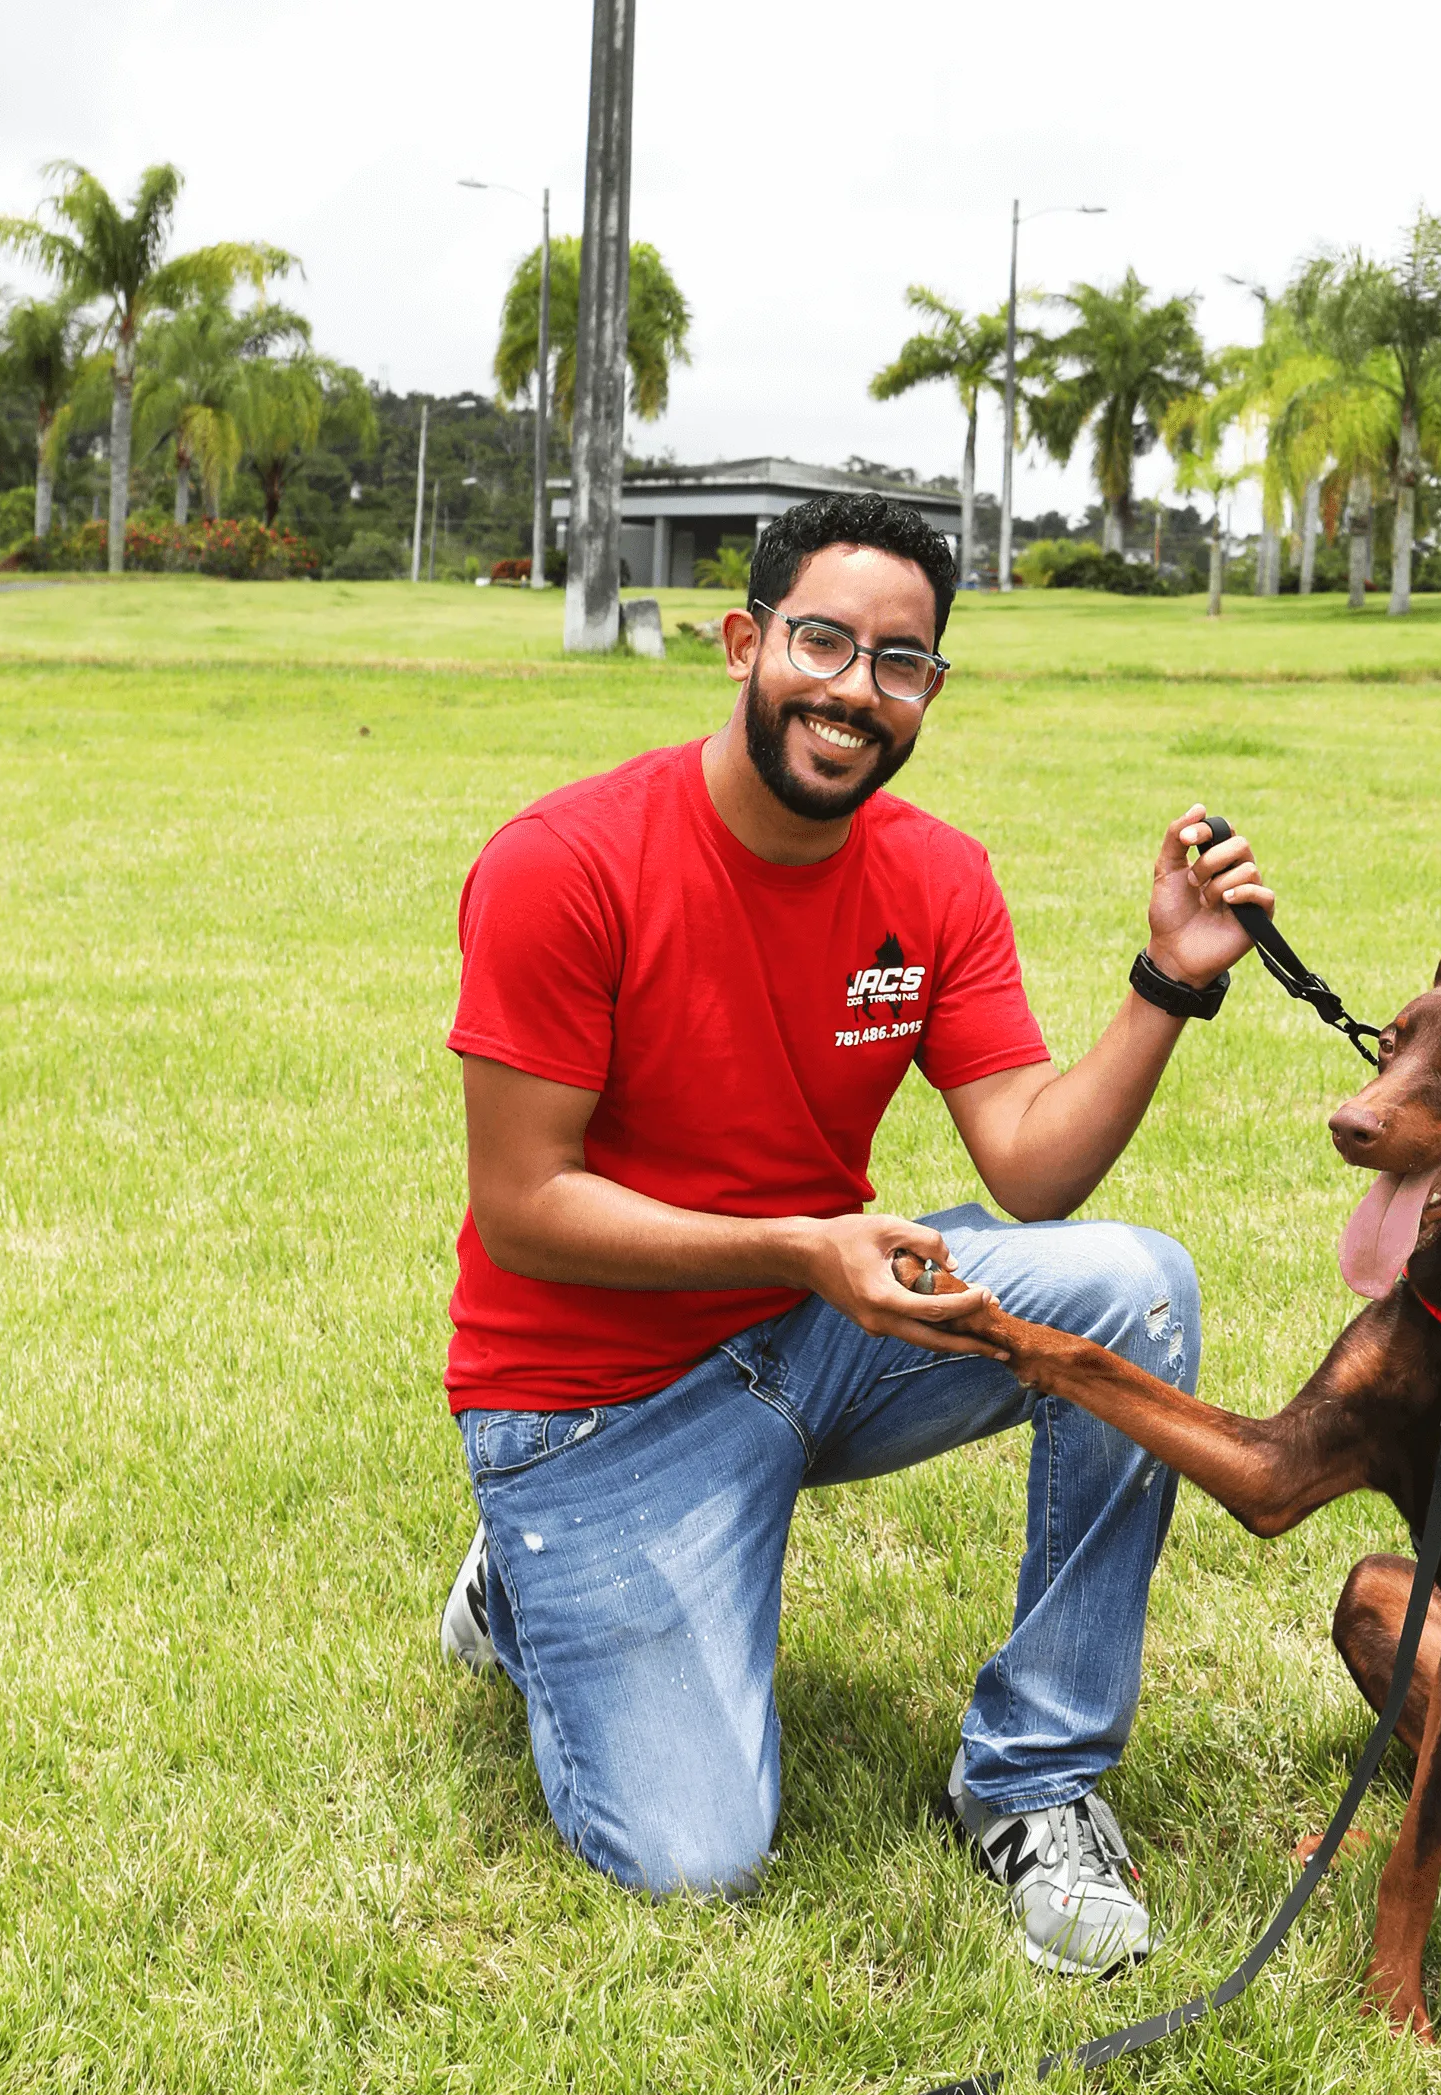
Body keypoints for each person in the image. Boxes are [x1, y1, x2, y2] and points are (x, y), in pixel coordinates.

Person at [438, 489, 1273, 1977]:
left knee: (1131, 1290)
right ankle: (525, 1581)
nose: (856, 692)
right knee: (696, 1860)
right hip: (594, 1410)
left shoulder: (933, 876)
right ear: (745, 640)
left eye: (904, 663)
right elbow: (526, 1204)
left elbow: (1027, 1173)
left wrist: (1167, 981)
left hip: (813, 1330)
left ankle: (1035, 1780)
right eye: (824, 642)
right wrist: (794, 1250)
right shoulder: (564, 862)